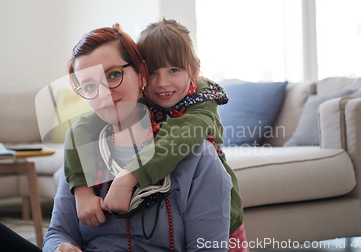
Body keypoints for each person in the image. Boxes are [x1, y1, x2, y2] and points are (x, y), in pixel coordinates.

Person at [0, 24, 233, 252]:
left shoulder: (196, 156)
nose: (105, 94)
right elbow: (60, 231)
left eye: (114, 75)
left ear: (141, 72)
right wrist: (61, 247)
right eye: (90, 86)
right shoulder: (85, 146)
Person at [65, 18, 246, 250]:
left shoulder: (203, 102)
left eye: (174, 70)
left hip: (222, 218)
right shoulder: (140, 99)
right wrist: (81, 191)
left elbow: (177, 137)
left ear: (194, 68)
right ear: (141, 72)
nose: (162, 83)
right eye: (152, 72)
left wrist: (128, 177)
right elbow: (79, 129)